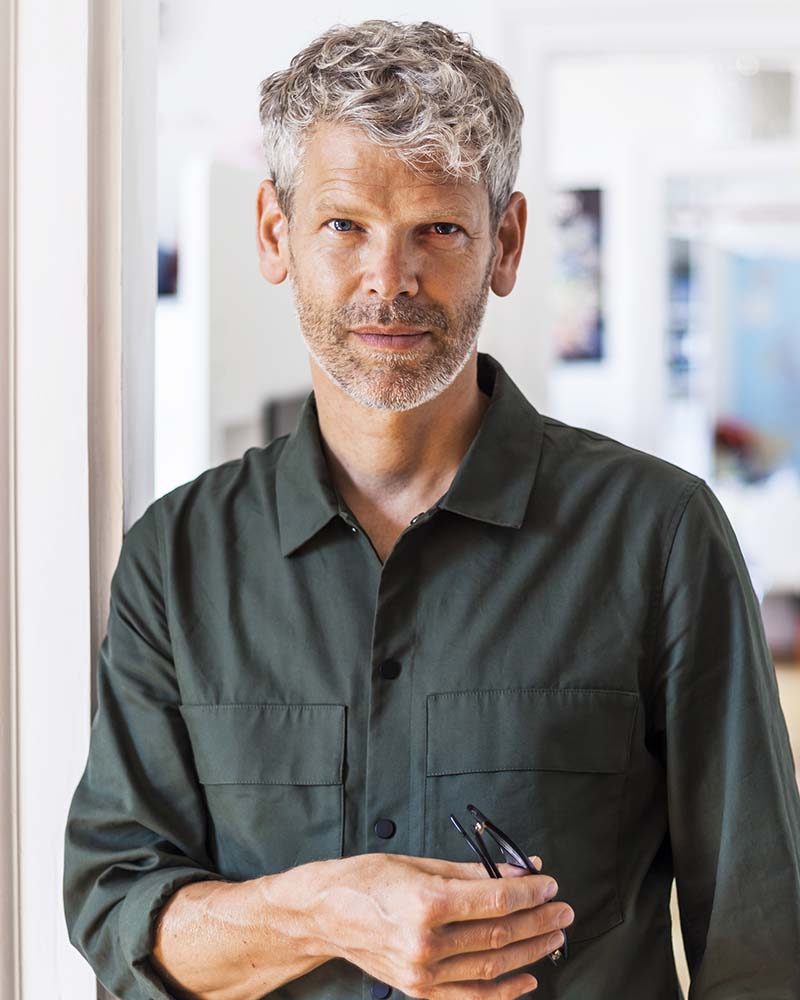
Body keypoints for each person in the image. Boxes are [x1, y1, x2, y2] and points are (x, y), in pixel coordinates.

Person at [63, 18, 800, 1000]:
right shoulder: (176, 557)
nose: (389, 281)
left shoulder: (657, 536)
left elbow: (759, 941)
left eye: (438, 230)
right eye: (344, 225)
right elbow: (120, 915)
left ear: (504, 243)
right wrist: (323, 909)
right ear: (275, 235)